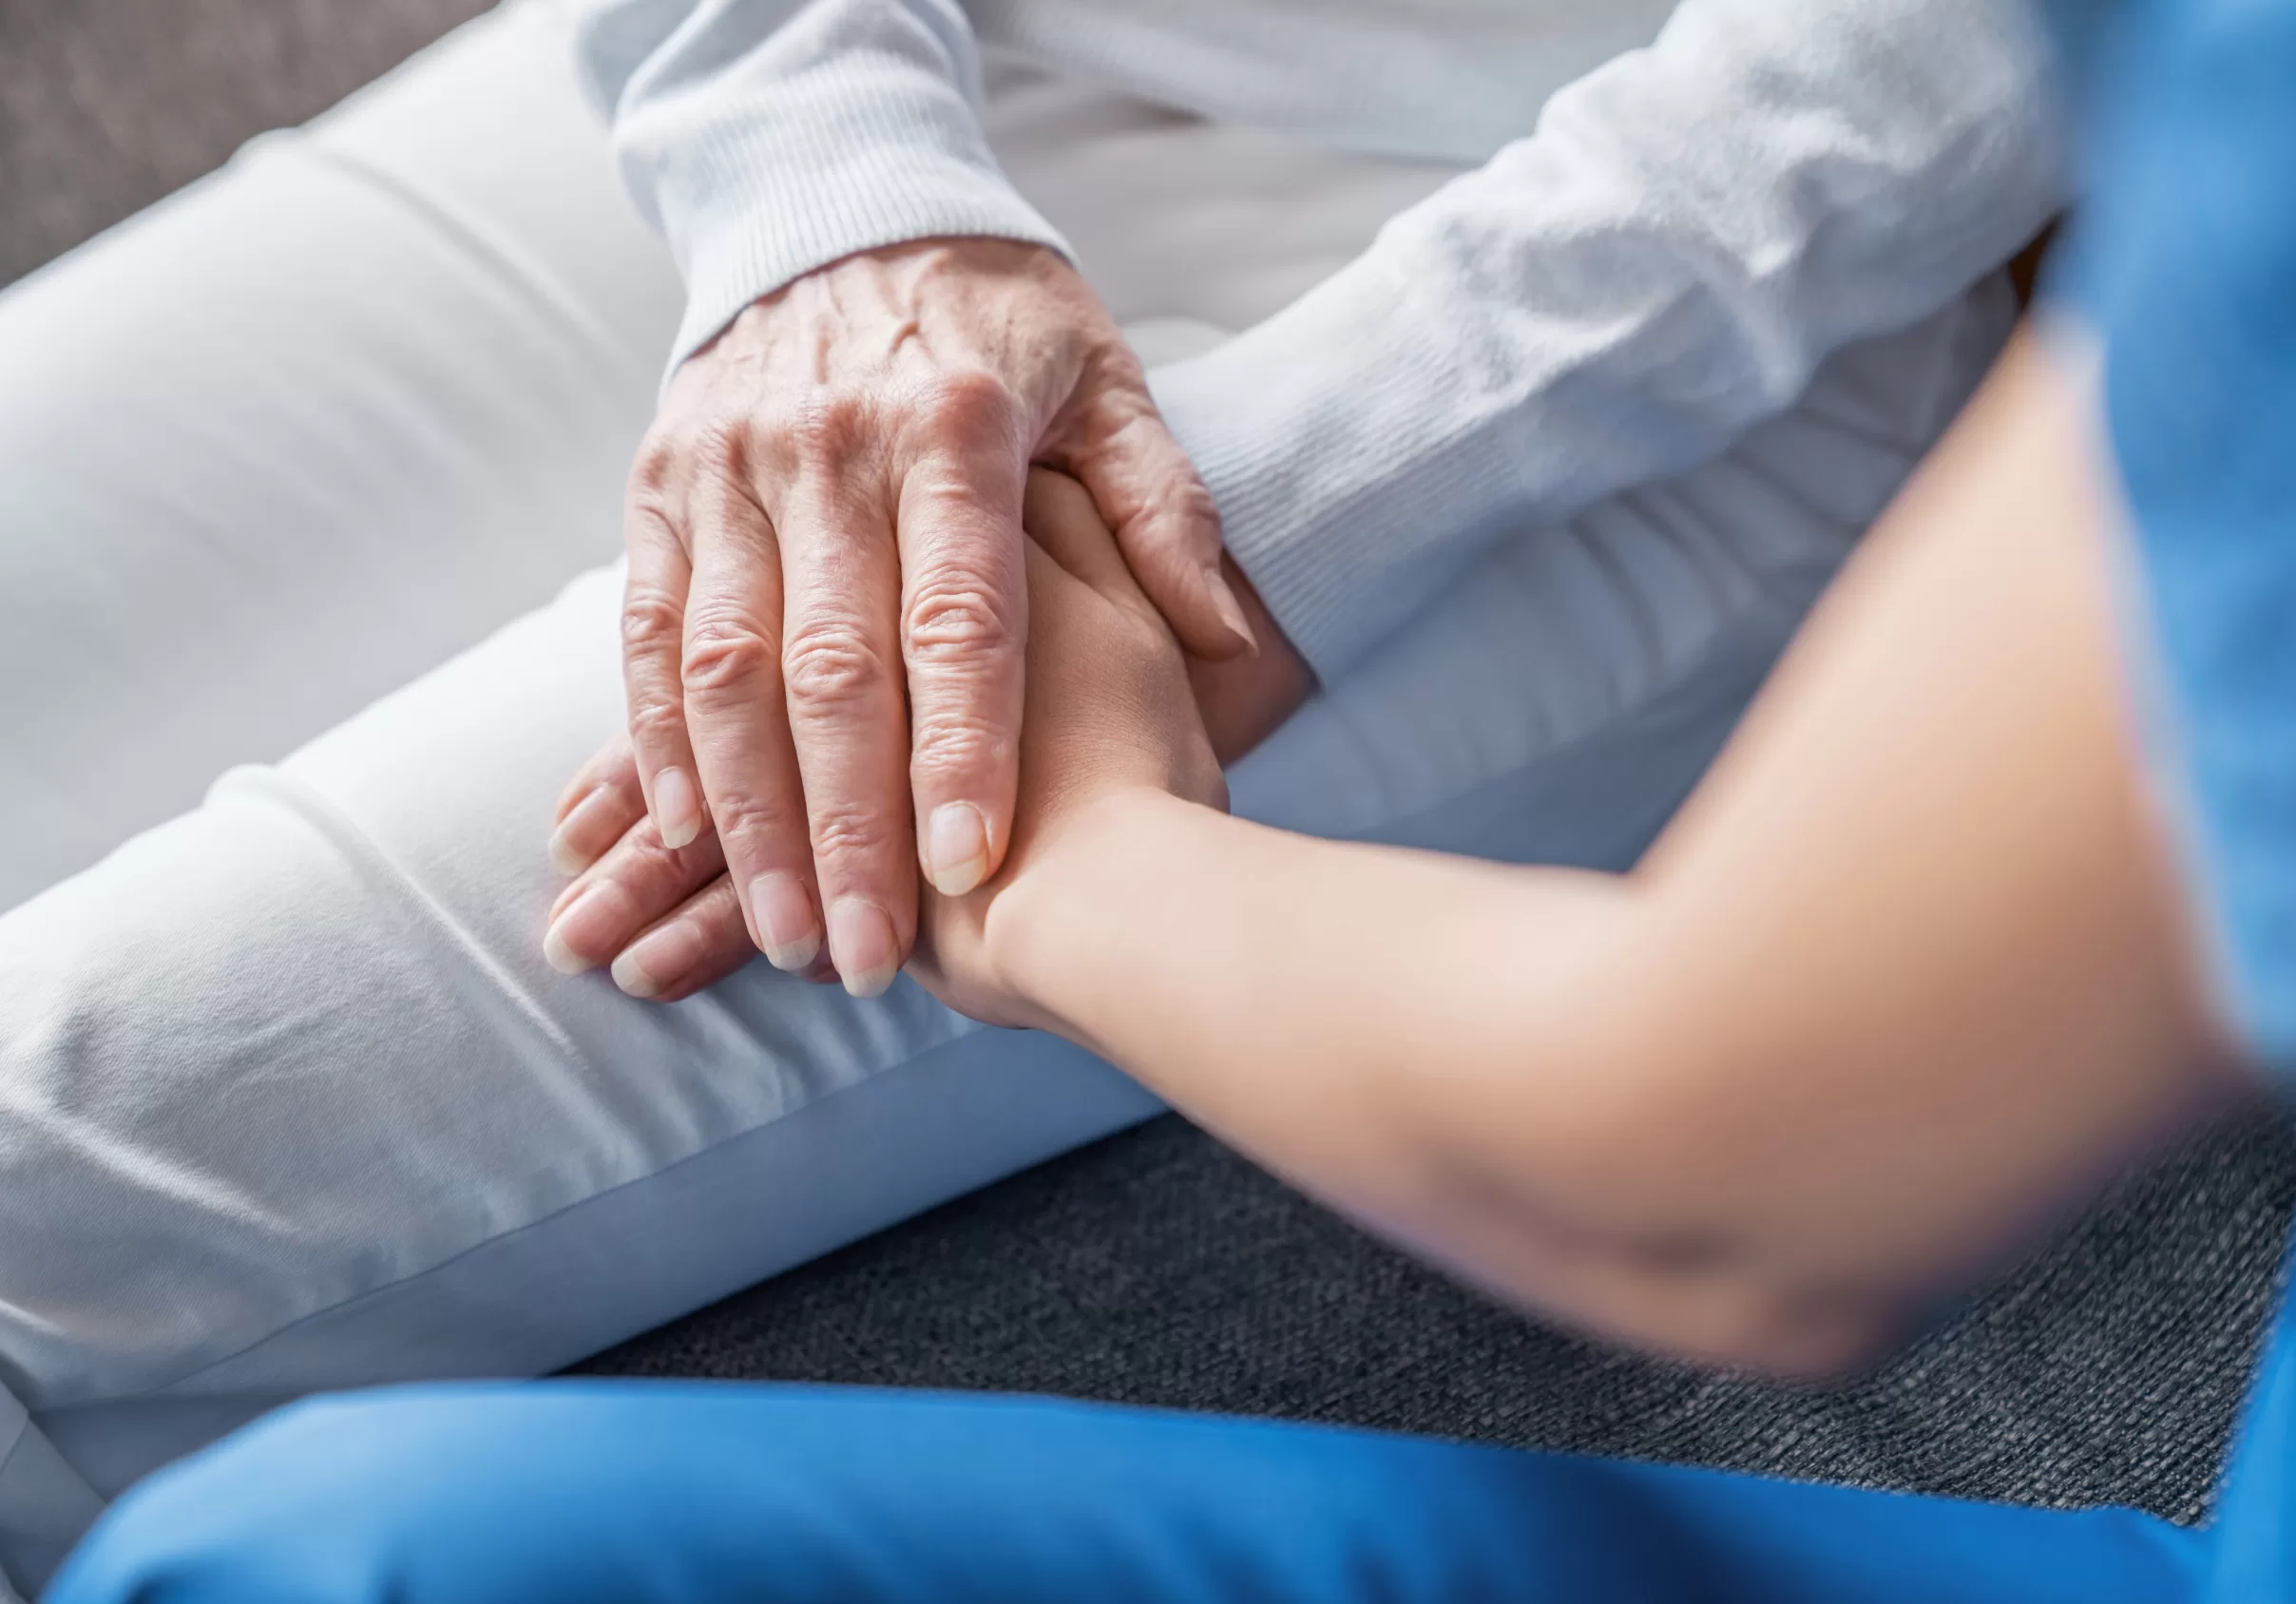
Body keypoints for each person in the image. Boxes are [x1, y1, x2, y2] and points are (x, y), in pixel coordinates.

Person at [36, 0, 2296, 1590]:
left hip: (1712, 324)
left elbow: (1737, 1174)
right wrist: (816, 185)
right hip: (891, 61)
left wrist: (1265, 526)